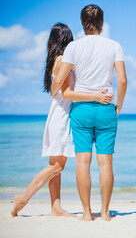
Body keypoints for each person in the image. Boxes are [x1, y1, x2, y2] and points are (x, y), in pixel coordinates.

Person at [11, 23, 113, 217]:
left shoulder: (56, 60)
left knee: (55, 163)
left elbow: (57, 89)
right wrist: (95, 96)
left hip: (58, 112)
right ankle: (22, 198)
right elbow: (67, 94)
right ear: (66, 40)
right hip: (63, 114)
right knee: (57, 165)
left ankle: (55, 207)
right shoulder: (62, 60)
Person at [51, 4, 127, 221]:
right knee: (106, 162)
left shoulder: (73, 47)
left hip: (81, 110)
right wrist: (119, 104)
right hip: (106, 108)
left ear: (83, 23)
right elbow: (122, 80)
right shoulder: (114, 46)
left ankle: (86, 213)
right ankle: (104, 213)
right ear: (101, 23)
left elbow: (59, 80)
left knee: (83, 162)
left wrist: (54, 90)